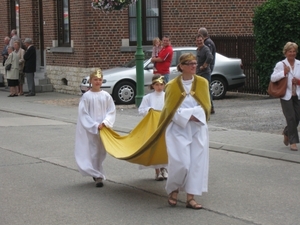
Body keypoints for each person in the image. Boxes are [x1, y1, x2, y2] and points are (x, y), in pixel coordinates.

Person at [159, 53, 211, 209]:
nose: (193, 66)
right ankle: (173, 189)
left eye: (195, 63)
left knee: (196, 163)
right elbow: (169, 109)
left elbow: (206, 106)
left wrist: (195, 115)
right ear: (181, 66)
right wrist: (188, 115)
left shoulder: (203, 83)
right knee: (181, 163)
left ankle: (190, 198)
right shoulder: (171, 85)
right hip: (178, 129)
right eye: (189, 63)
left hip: (198, 128)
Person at [74, 69, 116, 187]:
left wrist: (105, 122)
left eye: (99, 80)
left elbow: (111, 111)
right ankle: (97, 175)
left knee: (101, 151)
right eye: (95, 79)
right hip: (92, 128)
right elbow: (83, 113)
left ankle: (97, 170)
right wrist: (94, 125)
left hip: (103, 128)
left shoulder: (106, 96)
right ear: (91, 81)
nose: (97, 82)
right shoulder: (86, 97)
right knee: (93, 150)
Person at [270, 42, 300, 151]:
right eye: (290, 51)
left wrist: (298, 81)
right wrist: (284, 72)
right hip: (286, 95)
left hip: (297, 94)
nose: (292, 53)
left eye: (294, 51)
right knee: (291, 117)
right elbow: (273, 78)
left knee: (297, 117)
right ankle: (293, 142)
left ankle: (287, 132)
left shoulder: (299, 64)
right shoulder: (281, 64)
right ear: (286, 53)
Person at [138, 75, 168, 181]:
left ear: (164, 85)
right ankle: (157, 171)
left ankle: (164, 168)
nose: (159, 87)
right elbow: (141, 110)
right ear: (153, 85)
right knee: (155, 148)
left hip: (164, 125)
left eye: (161, 84)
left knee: (164, 147)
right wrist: (150, 110)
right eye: (156, 85)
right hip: (153, 126)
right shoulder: (148, 98)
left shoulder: (167, 96)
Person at [198, 28, 216, 114]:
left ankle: (210, 107)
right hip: (200, 72)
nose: (199, 42)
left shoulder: (207, 44)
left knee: (207, 90)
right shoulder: (199, 48)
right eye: (197, 41)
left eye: (200, 40)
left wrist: (205, 65)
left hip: (205, 72)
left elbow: (210, 57)